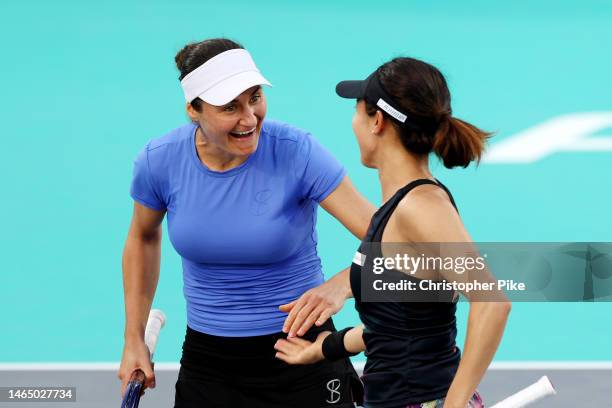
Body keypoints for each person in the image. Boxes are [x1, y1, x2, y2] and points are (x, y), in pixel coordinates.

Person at [117, 38, 375, 408]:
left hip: (303, 351)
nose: (249, 118)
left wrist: (343, 284)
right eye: (230, 108)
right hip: (208, 364)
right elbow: (143, 238)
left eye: (255, 98)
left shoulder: (296, 151)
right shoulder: (160, 161)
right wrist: (133, 339)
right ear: (194, 109)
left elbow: (392, 240)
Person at [274, 57, 511, 408]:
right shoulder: (402, 207)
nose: (353, 122)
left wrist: (456, 403)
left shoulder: (420, 207)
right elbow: (397, 329)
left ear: (378, 121)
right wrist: (321, 350)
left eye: (358, 111)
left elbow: (492, 302)